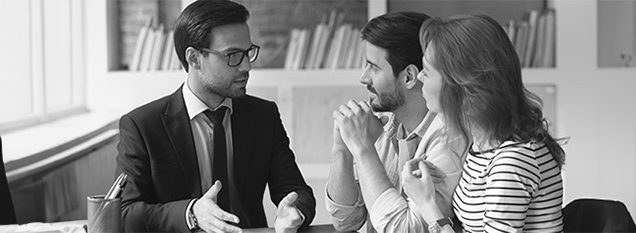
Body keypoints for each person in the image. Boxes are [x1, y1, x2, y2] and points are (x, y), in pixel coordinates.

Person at [115, 0, 316, 232]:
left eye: (248, 53)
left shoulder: (263, 116)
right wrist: (191, 213)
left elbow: (297, 191)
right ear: (194, 58)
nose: (247, 67)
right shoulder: (142, 126)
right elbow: (125, 213)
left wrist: (295, 212)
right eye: (233, 55)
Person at [402, 14, 565, 232]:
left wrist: (427, 204)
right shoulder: (482, 146)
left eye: (427, 71)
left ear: (462, 87)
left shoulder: (512, 161)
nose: (420, 77)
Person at [327, 12, 468, 232]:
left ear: (410, 77)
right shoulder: (383, 126)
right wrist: (342, 149)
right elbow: (346, 221)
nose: (363, 78)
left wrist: (364, 149)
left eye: (373, 67)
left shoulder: (449, 139)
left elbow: (404, 229)